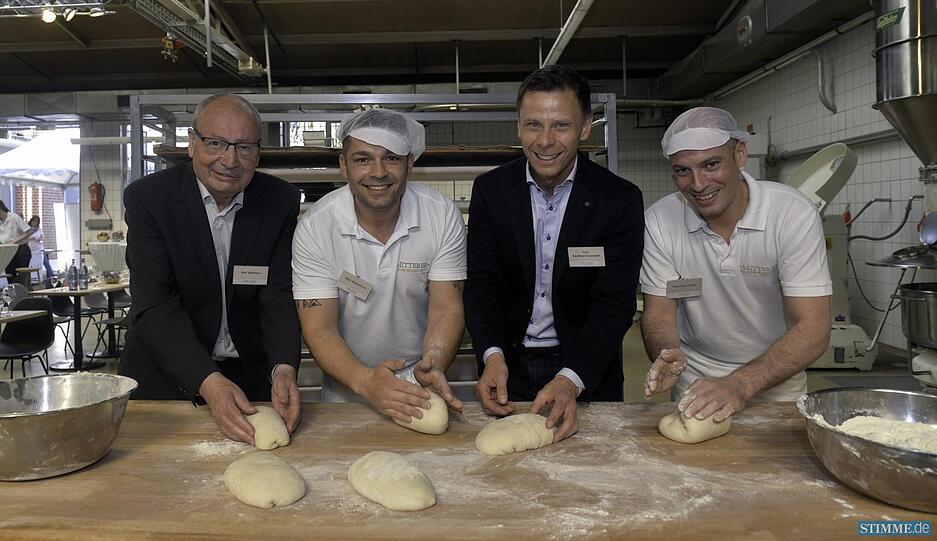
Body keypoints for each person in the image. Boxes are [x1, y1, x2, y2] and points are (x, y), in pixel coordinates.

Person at [464, 65, 645, 443]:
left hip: (586, 367)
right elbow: (482, 283)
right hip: (509, 367)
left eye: (560, 125)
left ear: (585, 127)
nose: (545, 141)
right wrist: (491, 355)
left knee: (593, 478)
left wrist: (571, 379)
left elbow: (614, 302)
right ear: (518, 126)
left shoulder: (619, 200)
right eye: (533, 125)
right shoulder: (491, 192)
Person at [119, 94, 302, 444]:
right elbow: (155, 305)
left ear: (258, 152)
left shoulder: (279, 201)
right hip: (166, 378)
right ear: (192, 143)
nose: (230, 160)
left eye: (245, 147)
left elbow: (277, 295)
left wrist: (283, 368)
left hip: (249, 380)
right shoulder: (149, 200)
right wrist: (208, 380)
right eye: (216, 143)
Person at [641, 106, 832, 423]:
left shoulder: (791, 214)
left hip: (777, 385)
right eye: (682, 171)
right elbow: (659, 311)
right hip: (696, 386)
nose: (699, 184)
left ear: (740, 154)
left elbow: (814, 329)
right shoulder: (661, 220)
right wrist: (667, 354)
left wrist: (740, 384)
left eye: (711, 164)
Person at [292, 108, 466, 422]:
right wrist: (366, 382)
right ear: (343, 165)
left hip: (420, 392)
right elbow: (319, 326)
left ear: (410, 163)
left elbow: (446, 308)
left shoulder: (440, 216)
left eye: (391, 158)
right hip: (346, 395)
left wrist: (434, 361)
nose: (378, 172)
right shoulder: (316, 226)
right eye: (362, 159)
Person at [0, 201, 32, 281]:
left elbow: (29, 231)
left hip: (21, 249)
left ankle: (23, 292)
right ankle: (13, 292)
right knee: (10, 275)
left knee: (22, 276)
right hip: (8, 251)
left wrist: (14, 241)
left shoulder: (13, 217)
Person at [23, 216, 53, 281]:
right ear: (31, 221)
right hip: (31, 250)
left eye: (36, 222)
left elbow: (39, 237)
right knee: (31, 265)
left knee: (45, 263)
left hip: (39, 250)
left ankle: (51, 277)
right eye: (34, 221)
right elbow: (25, 237)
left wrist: (31, 237)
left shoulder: (38, 229)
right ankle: (31, 278)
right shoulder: (27, 228)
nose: (35, 223)